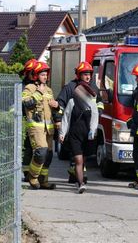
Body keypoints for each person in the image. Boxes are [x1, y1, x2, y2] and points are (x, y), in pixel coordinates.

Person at [57, 61, 103, 194]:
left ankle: (76, 174)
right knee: (78, 159)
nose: (88, 77)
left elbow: (97, 109)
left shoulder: (94, 89)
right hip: (74, 133)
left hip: (87, 133)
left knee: (84, 159)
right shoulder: (70, 89)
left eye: (89, 74)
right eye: (85, 74)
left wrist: (93, 129)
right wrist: (61, 130)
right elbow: (65, 114)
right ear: (79, 75)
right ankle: (80, 183)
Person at [22, 61, 59, 190]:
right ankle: (33, 176)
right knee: (41, 152)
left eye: (46, 75)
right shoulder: (30, 88)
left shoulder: (49, 90)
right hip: (36, 127)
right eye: (42, 74)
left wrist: (57, 107)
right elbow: (26, 104)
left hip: (48, 129)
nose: (45, 77)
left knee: (48, 156)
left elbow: (55, 110)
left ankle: (43, 181)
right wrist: (38, 92)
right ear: (36, 75)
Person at [20, 58, 38, 181]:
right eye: (33, 73)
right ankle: (27, 173)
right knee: (28, 148)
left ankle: (33, 173)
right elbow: (26, 104)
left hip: (37, 122)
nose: (35, 76)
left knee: (36, 148)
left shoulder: (40, 85)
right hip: (25, 121)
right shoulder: (22, 87)